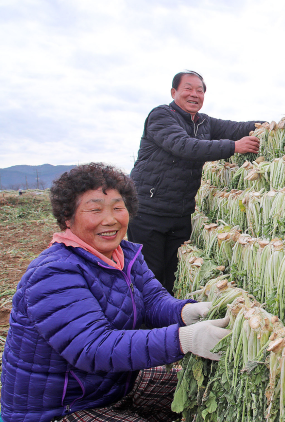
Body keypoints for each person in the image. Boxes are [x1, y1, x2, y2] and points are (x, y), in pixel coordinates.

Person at [1, 163, 229, 422]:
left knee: (208, 388)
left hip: (111, 387)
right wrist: (184, 339)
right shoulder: (53, 272)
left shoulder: (125, 255)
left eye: (118, 208)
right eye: (95, 209)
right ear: (67, 217)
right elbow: (93, 347)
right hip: (63, 409)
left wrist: (186, 312)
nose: (110, 219)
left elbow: (154, 301)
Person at [128, 70, 261, 294]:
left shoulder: (203, 122)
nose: (194, 94)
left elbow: (237, 127)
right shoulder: (161, 115)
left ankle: (168, 324)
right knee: (149, 275)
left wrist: (274, 124)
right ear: (174, 92)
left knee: (172, 273)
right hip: (148, 211)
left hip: (180, 213)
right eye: (188, 89)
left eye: (199, 90)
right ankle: (143, 326)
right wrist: (233, 146)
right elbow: (184, 146)